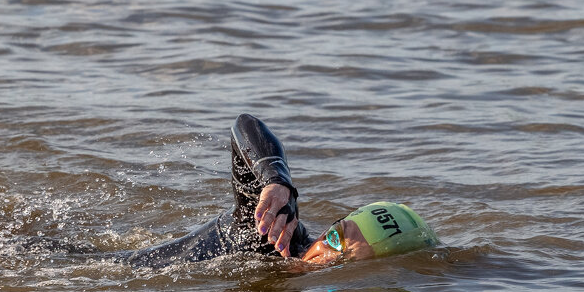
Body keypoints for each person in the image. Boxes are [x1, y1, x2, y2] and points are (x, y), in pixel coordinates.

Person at [122, 114, 438, 269]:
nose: (321, 249)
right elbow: (244, 125)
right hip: (103, 270)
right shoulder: (270, 232)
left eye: (339, 254)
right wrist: (276, 180)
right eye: (333, 234)